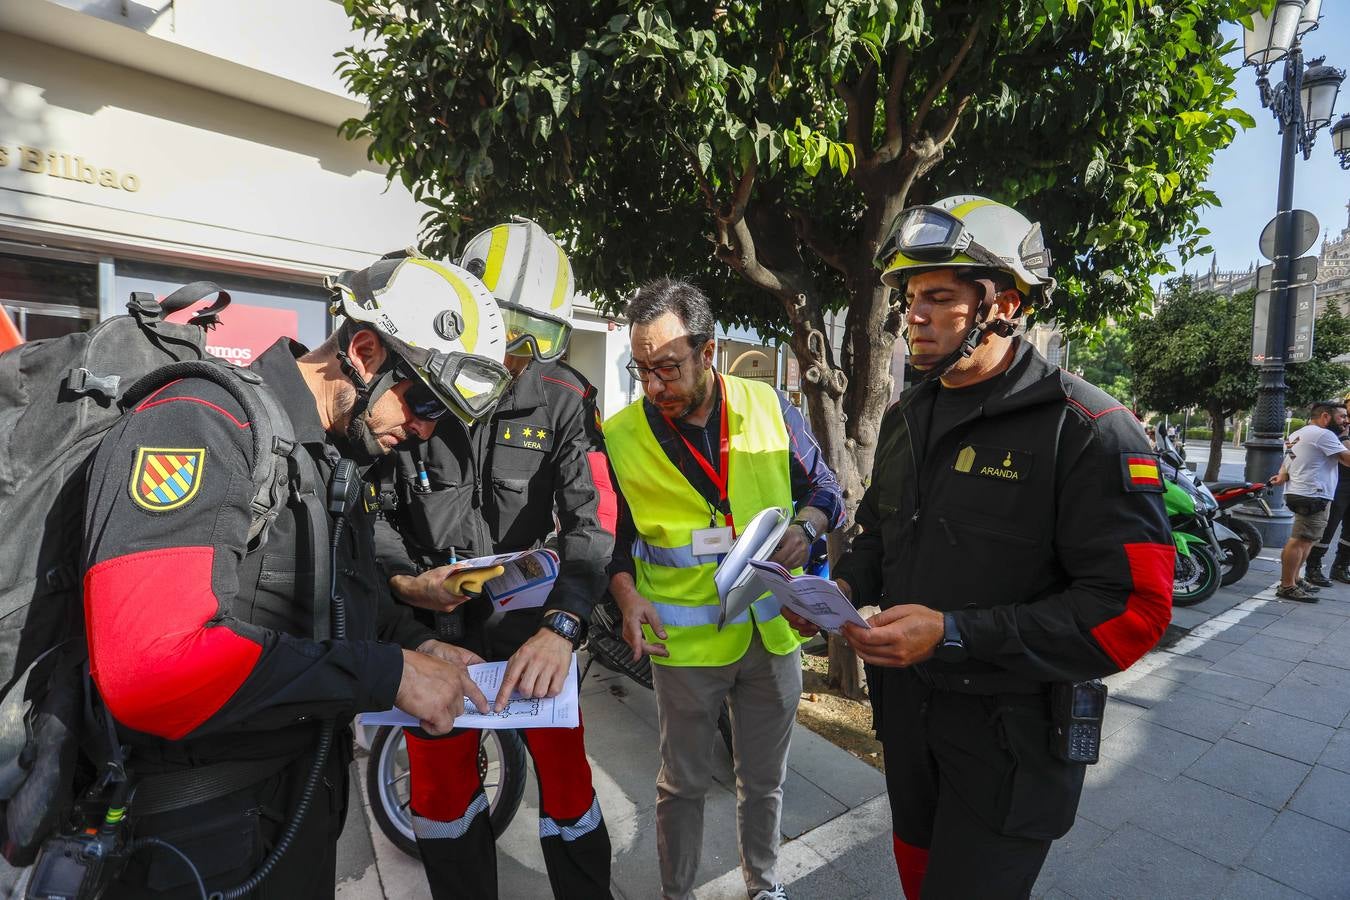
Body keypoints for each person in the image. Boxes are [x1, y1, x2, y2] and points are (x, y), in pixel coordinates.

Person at [81, 254, 512, 898]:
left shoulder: (333, 460)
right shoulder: (202, 423)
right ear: (365, 352)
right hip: (197, 841)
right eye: (423, 401)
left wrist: (418, 644)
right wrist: (388, 674)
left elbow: (341, 601)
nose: (424, 430)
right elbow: (150, 669)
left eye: (443, 418)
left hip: (294, 811)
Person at [792, 196, 1174, 899]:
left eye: (939, 297)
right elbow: (879, 533)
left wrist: (955, 634)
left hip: (1011, 751)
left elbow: (1134, 610)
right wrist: (839, 590)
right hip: (909, 727)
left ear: (1004, 304)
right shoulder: (910, 417)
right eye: (910, 298)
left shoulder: (1089, 429)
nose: (915, 316)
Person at [374, 218, 617, 899]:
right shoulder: (408, 391)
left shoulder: (566, 401)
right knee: (443, 802)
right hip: (431, 634)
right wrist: (407, 585)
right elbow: (370, 515)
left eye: (530, 344)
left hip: (531, 634)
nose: (512, 360)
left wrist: (564, 626)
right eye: (502, 336)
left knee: (569, 790)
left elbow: (594, 520)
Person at [605, 278, 845, 900]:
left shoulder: (768, 407)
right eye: (642, 370)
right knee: (680, 786)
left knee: (764, 782)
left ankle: (764, 887)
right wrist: (627, 598)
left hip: (771, 632)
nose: (655, 386)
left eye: (668, 368)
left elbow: (826, 493)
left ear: (707, 353)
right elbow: (610, 543)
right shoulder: (621, 435)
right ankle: (676, 894)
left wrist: (807, 529)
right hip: (684, 650)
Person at [1269, 400, 1350, 601]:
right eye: (1341, 416)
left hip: (1302, 492)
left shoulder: (1298, 434)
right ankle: (1287, 585)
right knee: (1300, 541)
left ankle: (1295, 579)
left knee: (1307, 540)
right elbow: (1347, 459)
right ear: (1325, 416)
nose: (1345, 421)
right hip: (1313, 494)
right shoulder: (1324, 434)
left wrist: (1282, 476)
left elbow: (1287, 463)